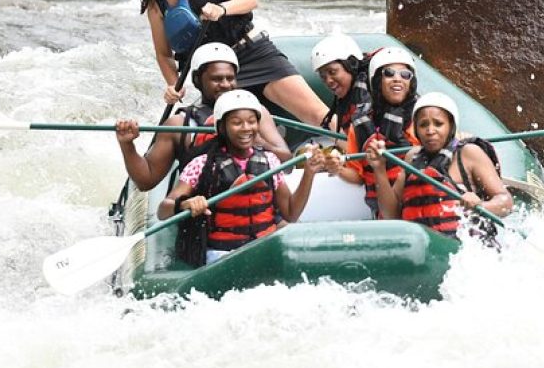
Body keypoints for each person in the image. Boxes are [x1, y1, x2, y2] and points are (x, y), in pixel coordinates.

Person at [139, 0, 329, 126]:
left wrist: (222, 9)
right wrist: (173, 84)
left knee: (317, 115)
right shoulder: (155, 2)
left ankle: (354, 148)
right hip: (217, 76)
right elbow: (164, 54)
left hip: (251, 55)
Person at [158, 90, 325, 267]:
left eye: (252, 122)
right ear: (222, 127)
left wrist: (309, 173)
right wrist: (186, 203)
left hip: (265, 247)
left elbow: (290, 213)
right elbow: (163, 210)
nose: (246, 128)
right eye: (237, 123)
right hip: (222, 254)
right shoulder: (202, 165)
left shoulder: (270, 161)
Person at [116, 43, 290, 191]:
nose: (225, 85)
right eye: (216, 79)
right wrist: (127, 144)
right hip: (207, 214)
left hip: (258, 210)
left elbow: (287, 161)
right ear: (198, 80)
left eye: (230, 78)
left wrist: (258, 141)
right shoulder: (180, 125)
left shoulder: (255, 113)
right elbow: (146, 181)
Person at [367, 92, 512, 237]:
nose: (430, 131)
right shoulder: (412, 158)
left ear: (451, 126)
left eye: (438, 124)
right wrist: (379, 169)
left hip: (464, 250)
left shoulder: (468, 153)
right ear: (416, 130)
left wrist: (480, 205)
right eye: (423, 125)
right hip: (424, 250)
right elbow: (390, 215)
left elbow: (506, 202)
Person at [325, 47, 421, 217]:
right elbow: (358, 176)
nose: (397, 79)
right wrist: (337, 168)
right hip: (384, 213)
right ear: (376, 81)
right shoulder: (361, 125)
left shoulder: (422, 119)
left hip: (418, 206)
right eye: (389, 73)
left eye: (405, 75)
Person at [310, 32, 373, 135]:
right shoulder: (348, 98)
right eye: (323, 76)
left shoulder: (369, 91)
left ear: (351, 64)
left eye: (332, 72)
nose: (328, 81)